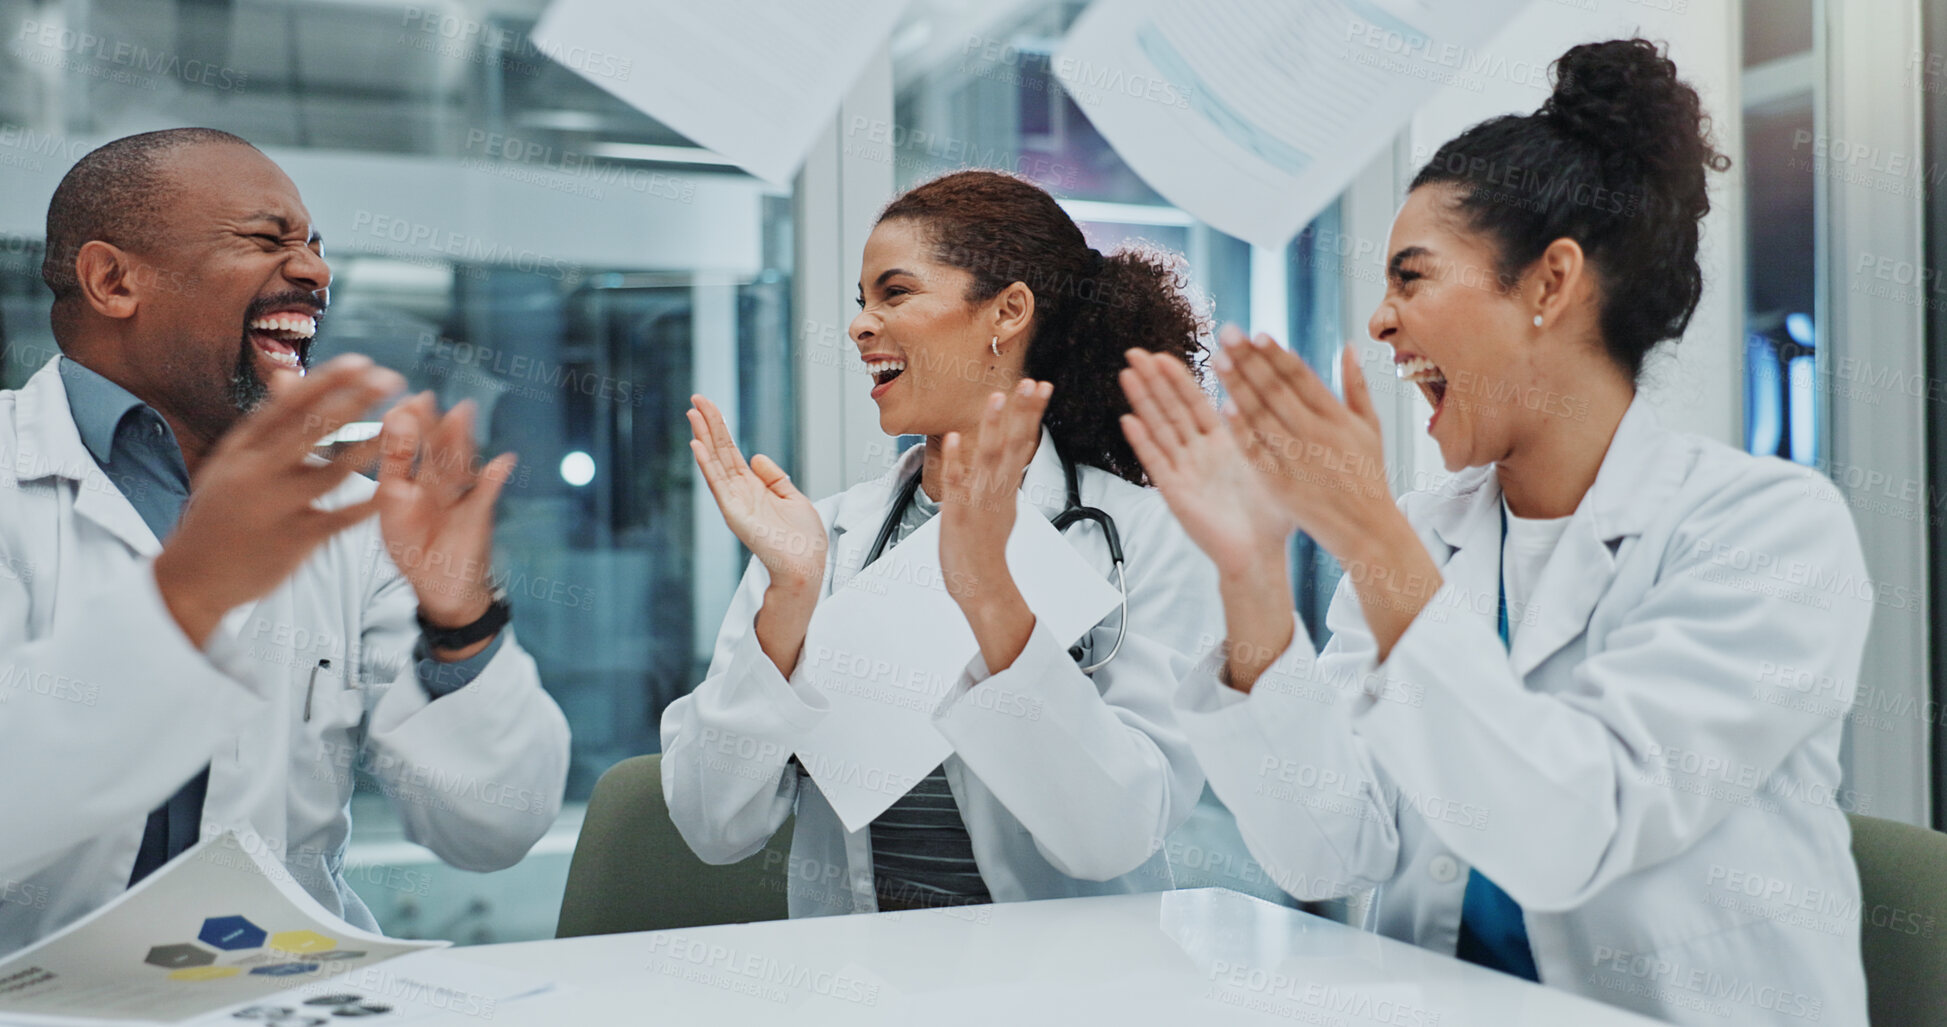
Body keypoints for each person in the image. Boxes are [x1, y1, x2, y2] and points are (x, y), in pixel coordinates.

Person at [1119, 40, 1870, 1025]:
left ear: (1550, 284)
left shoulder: (1770, 530)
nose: (1381, 323)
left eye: (1413, 277)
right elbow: (1324, 843)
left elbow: (1573, 829)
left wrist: (1368, 535)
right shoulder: (1431, 536)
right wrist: (1255, 573)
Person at [0, 128, 571, 954]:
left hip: (284, 990)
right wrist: (190, 593)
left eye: (315, 245)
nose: (315, 271)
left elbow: (492, 828)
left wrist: (462, 617)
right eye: (267, 240)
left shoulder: (355, 514)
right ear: (113, 280)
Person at [661, 170, 1221, 914]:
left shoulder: (1148, 533)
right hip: (863, 980)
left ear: (1007, 310)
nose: (861, 325)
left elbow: (1112, 837)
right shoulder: (819, 538)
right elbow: (711, 825)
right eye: (861, 303)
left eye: (895, 293)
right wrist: (788, 602)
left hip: (1067, 988)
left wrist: (991, 597)